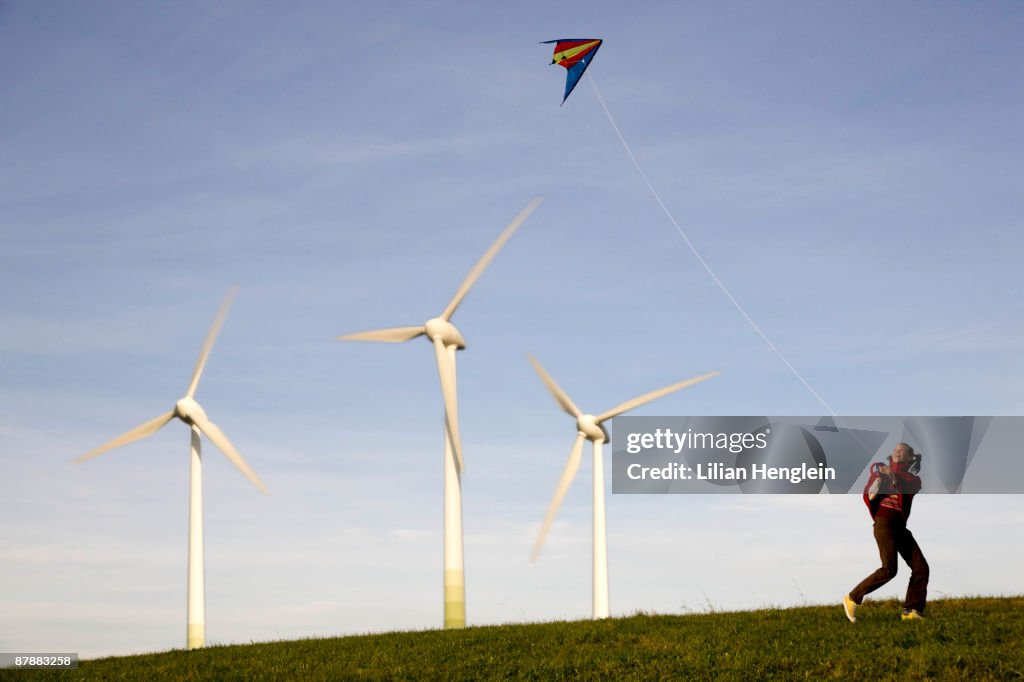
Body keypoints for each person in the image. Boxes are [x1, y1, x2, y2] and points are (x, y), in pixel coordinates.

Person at [843, 442, 929, 622]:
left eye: (902, 450)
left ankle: (911, 611)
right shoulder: (879, 473)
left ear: (910, 457)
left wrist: (893, 476)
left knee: (921, 568)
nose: (898, 451)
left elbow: (906, 487)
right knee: (889, 569)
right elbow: (869, 495)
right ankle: (852, 597)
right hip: (884, 523)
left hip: (900, 527)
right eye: (895, 449)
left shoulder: (913, 480)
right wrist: (877, 483)